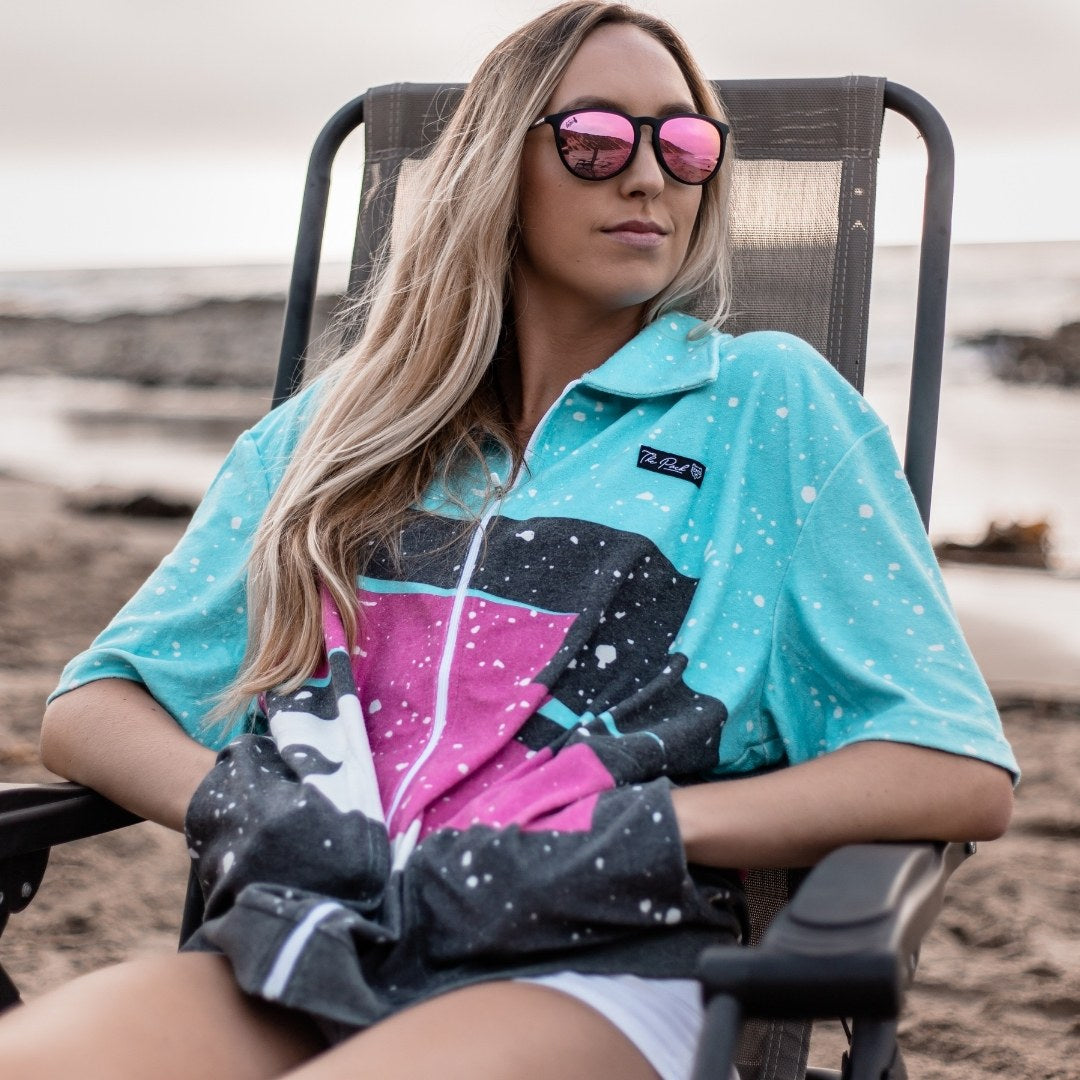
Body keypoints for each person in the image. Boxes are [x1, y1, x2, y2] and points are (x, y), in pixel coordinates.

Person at [1, 4, 1017, 1078]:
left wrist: (644, 825)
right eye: (595, 139)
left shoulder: (765, 404)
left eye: (685, 145)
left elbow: (949, 767)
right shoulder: (332, 435)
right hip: (300, 940)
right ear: (495, 163)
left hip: (593, 964)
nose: (650, 177)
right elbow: (94, 707)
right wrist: (248, 806)